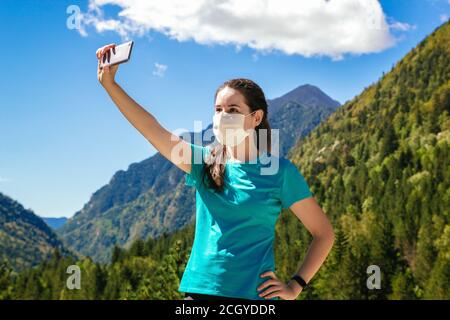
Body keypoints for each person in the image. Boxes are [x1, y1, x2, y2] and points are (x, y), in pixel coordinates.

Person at [96, 44, 335, 300]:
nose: (223, 117)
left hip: (254, 297)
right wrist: (110, 84)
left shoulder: (278, 172)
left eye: (233, 110)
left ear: (256, 118)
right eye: (218, 110)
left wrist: (295, 285)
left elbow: (324, 234)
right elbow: (152, 129)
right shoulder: (204, 161)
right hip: (199, 293)